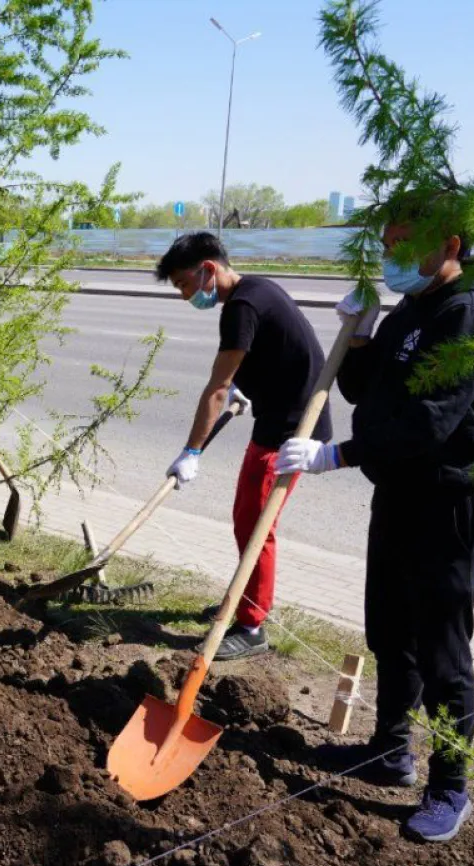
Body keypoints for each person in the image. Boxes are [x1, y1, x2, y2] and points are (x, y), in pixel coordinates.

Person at [275, 202, 474, 844]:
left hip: (452, 501)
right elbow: (367, 394)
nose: (392, 256)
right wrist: (357, 338)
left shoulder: (471, 314)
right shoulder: (414, 308)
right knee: (390, 629)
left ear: (450, 243)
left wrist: (337, 455)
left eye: (405, 244)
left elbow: (430, 420)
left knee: (441, 648)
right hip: (401, 495)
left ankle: (450, 787)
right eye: (387, 244)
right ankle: (389, 752)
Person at [155, 232, 333, 659]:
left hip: (292, 430)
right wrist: (246, 384)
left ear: (208, 270)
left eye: (183, 284)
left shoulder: (241, 307)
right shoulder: (255, 290)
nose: (184, 296)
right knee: (245, 517)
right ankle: (241, 599)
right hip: (278, 417)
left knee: (256, 524)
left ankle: (252, 626)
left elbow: (216, 388)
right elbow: (267, 353)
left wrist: (192, 451)